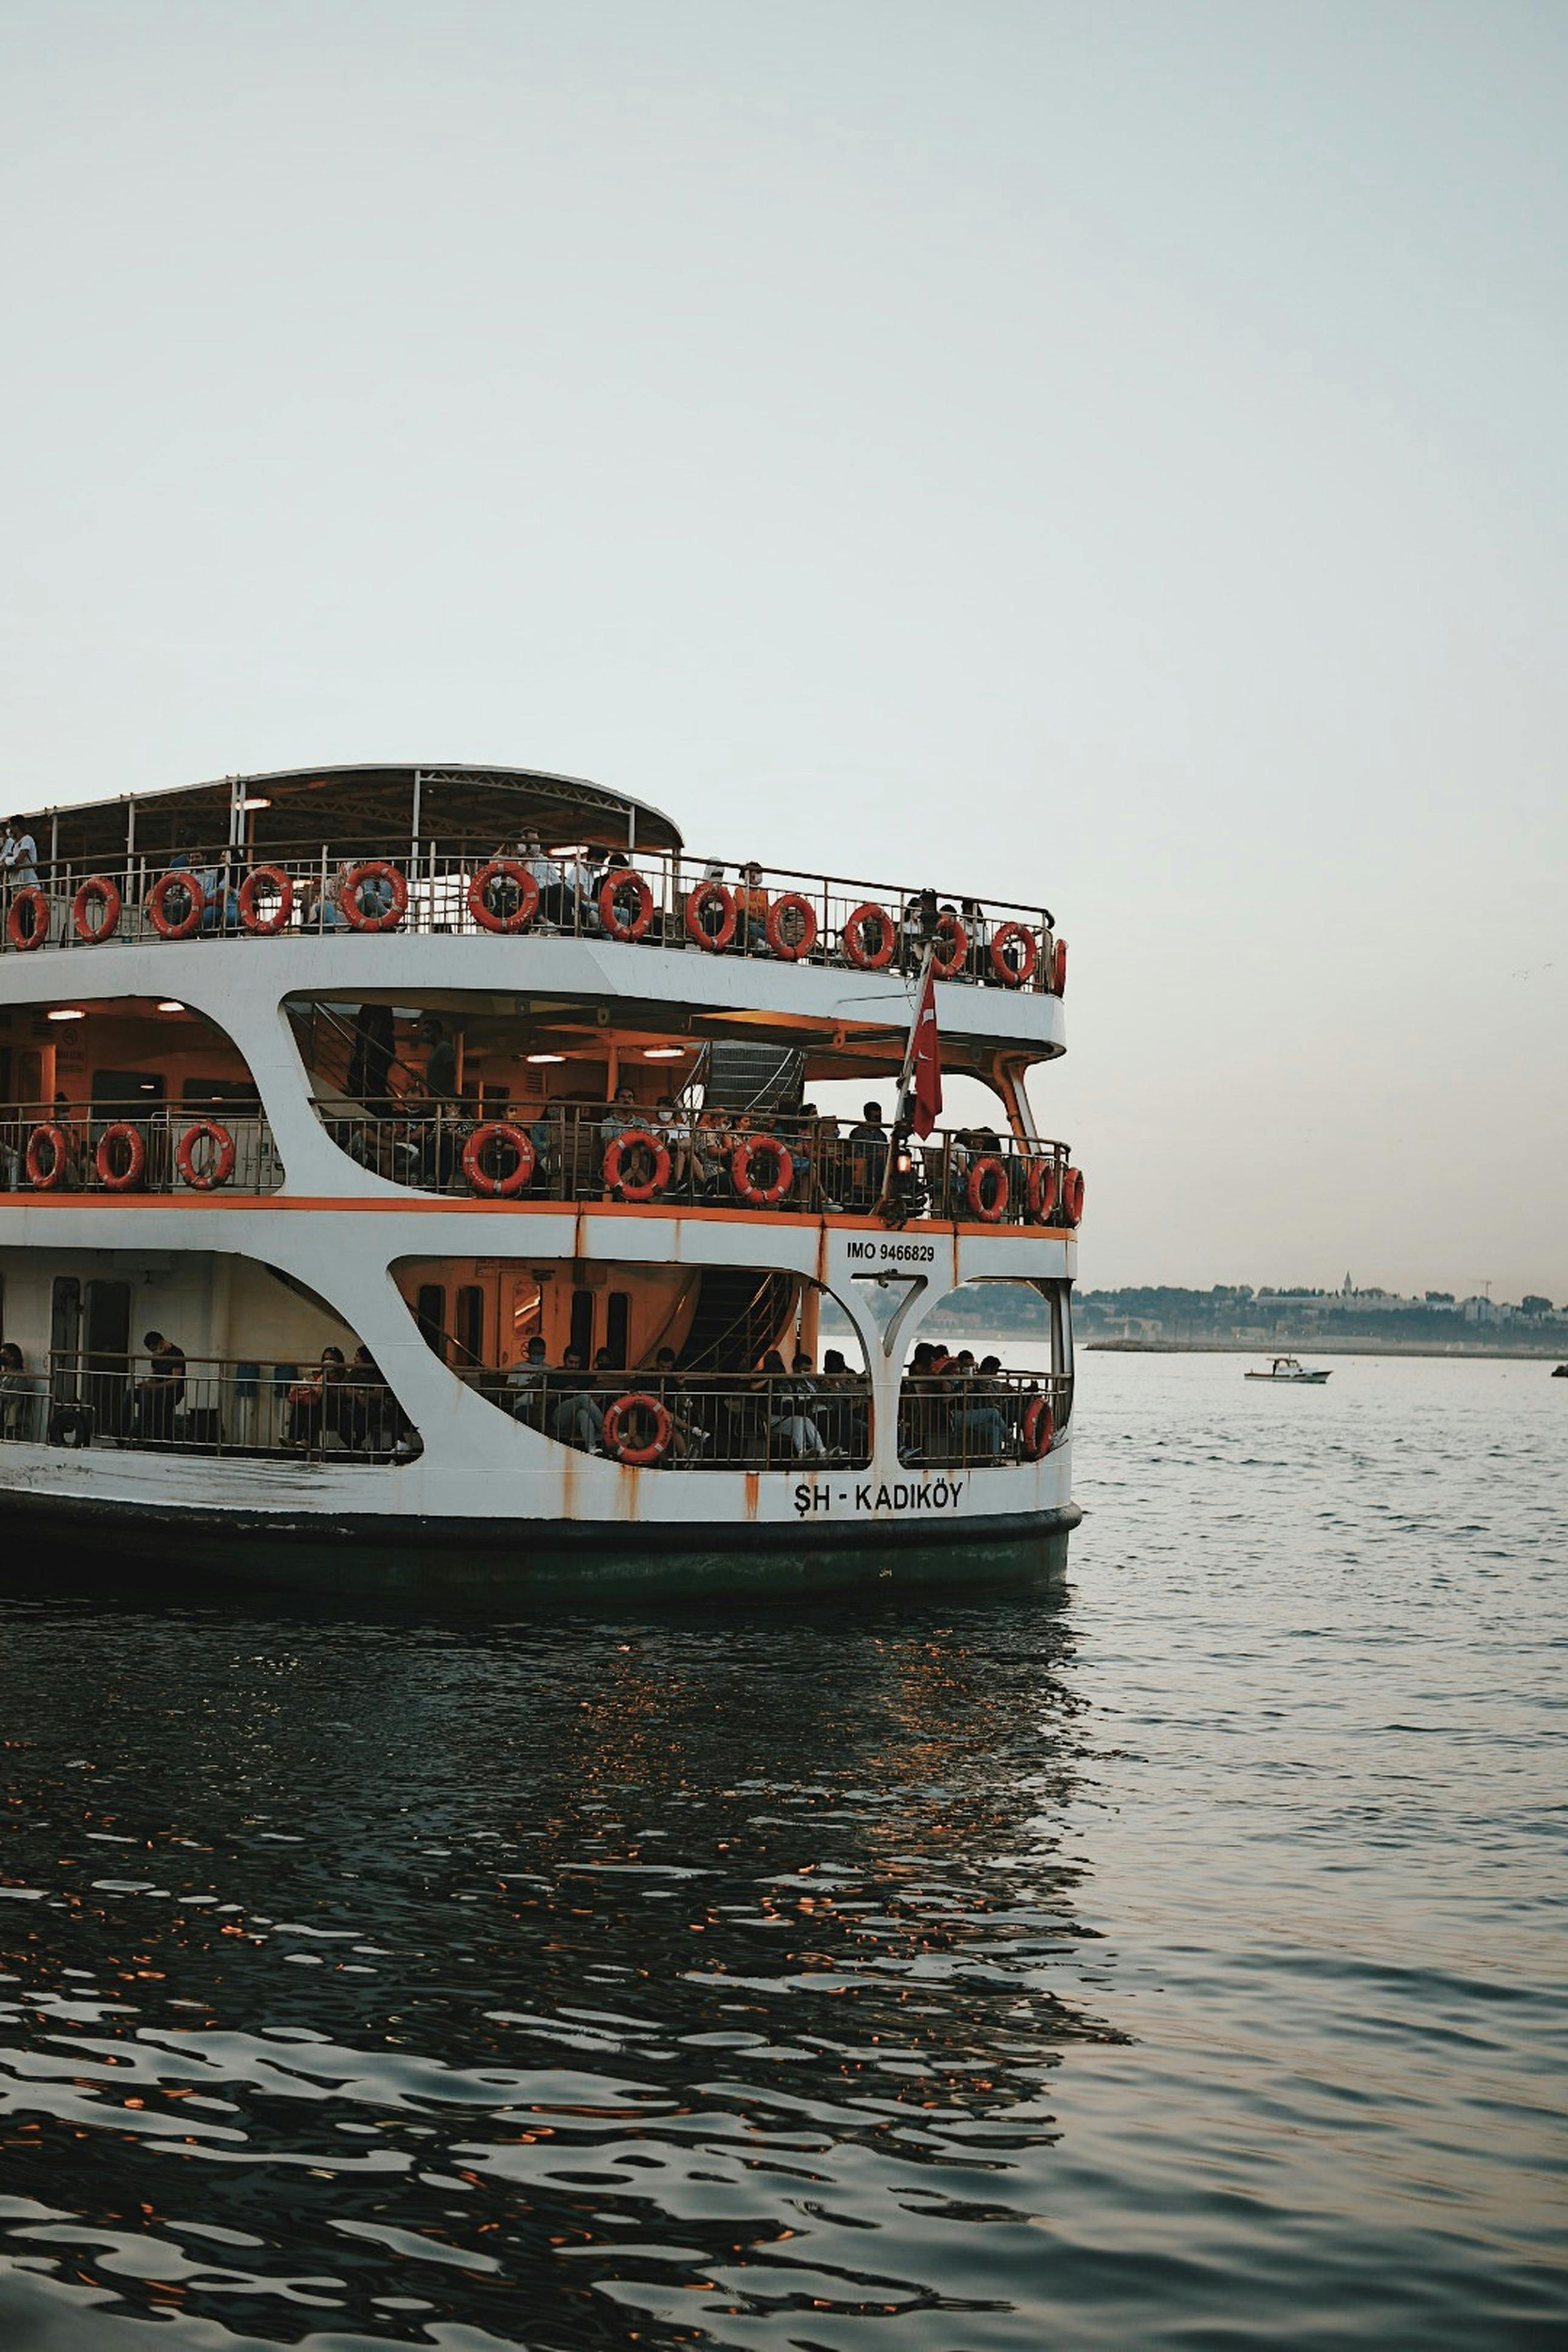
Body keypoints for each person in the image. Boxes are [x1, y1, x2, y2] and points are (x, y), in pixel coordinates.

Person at [134, 1330, 186, 1443]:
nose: (154, 1352)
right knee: (130, 1394)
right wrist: (146, 1384)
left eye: (154, 1349)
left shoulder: (176, 1353)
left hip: (172, 1391)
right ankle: (123, 1429)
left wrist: (151, 1387)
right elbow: (154, 1376)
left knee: (147, 1394)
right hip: (157, 1389)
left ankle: (143, 1430)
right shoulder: (156, 1356)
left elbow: (174, 1381)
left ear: (162, 1343)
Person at [549, 1346, 604, 1451]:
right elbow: (542, 1397)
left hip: (575, 1419)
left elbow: (602, 1379)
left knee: (583, 1414)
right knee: (583, 1397)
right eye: (571, 1362)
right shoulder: (556, 1374)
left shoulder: (583, 1375)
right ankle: (606, 1430)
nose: (574, 1366)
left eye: (577, 1363)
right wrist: (564, 1392)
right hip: (559, 1416)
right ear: (564, 1361)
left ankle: (592, 1449)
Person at [505, 1336, 550, 1428]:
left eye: (542, 1354)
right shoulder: (518, 1368)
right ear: (529, 1352)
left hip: (543, 1409)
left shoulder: (549, 1369)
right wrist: (529, 1386)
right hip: (521, 1408)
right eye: (536, 1353)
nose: (539, 1356)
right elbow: (510, 1393)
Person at [736, 860, 770, 952]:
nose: (760, 876)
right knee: (766, 935)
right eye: (757, 873)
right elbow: (742, 910)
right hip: (749, 924)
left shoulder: (763, 892)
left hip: (763, 924)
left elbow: (767, 911)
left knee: (771, 932)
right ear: (748, 875)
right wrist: (757, 916)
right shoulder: (740, 891)